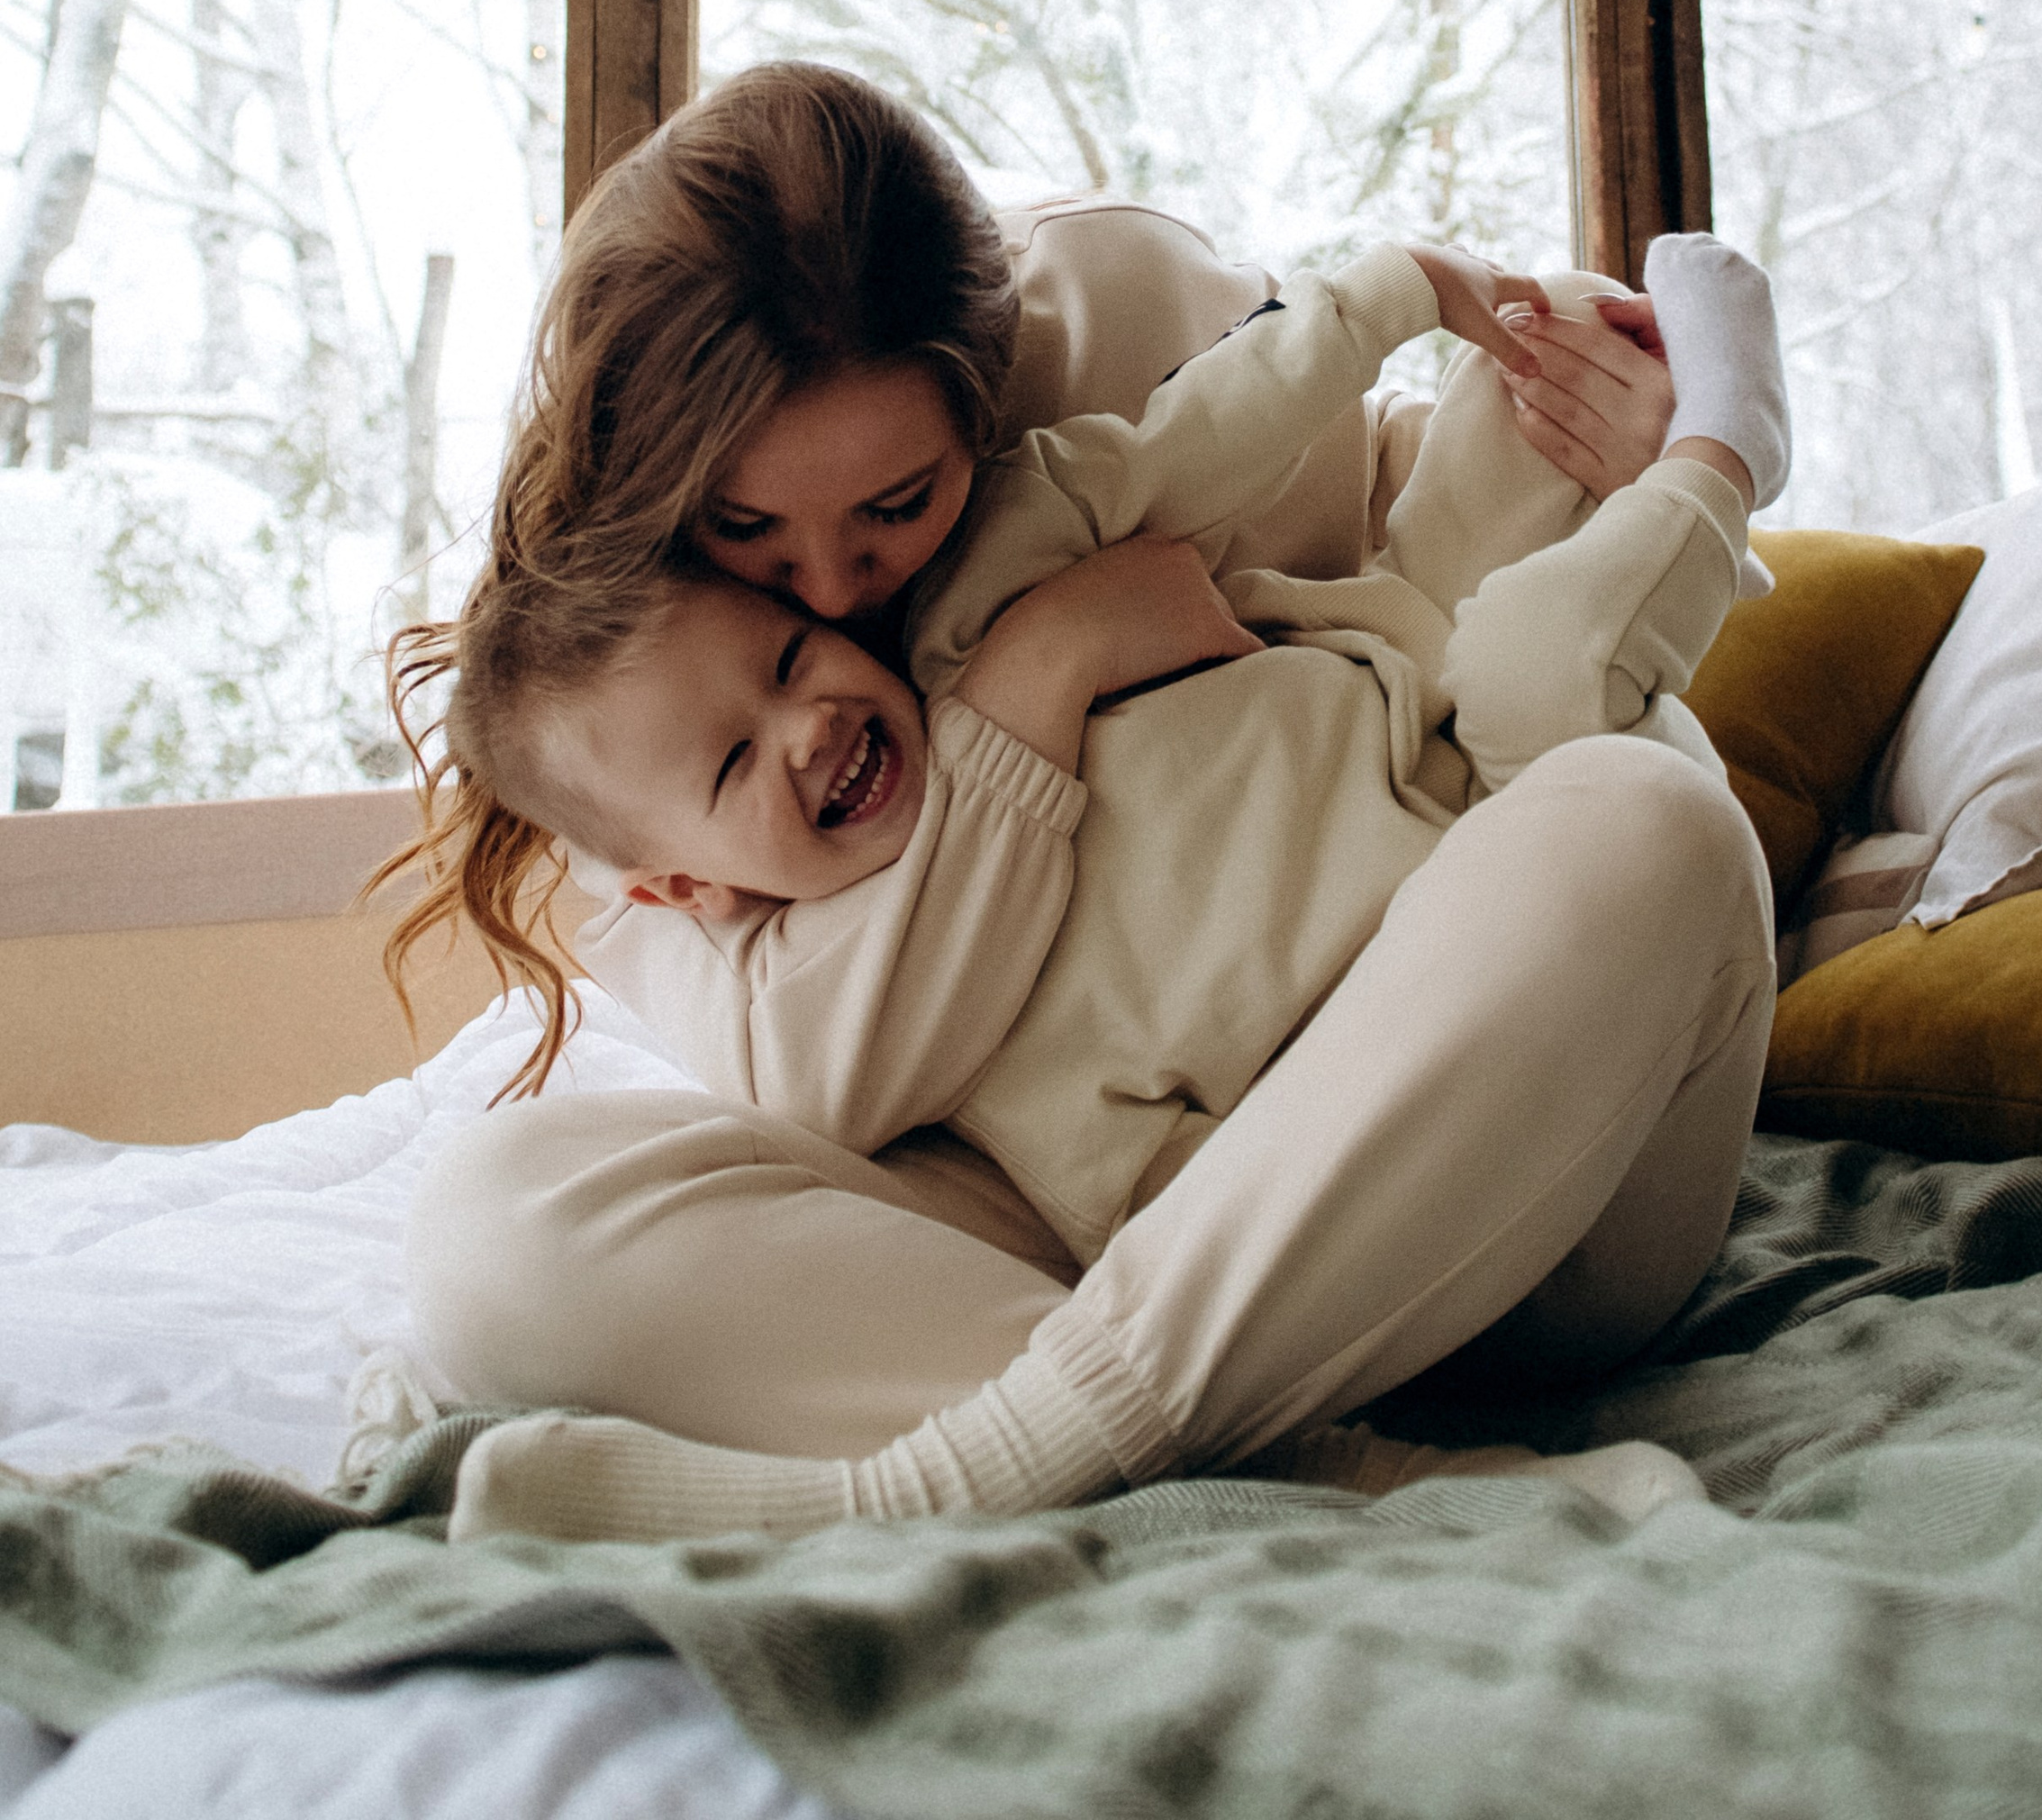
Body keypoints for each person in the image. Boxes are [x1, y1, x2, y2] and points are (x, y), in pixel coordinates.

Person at [394, 66, 1782, 1545]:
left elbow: (1409, 524)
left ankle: (962, 1474)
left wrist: (1609, 452)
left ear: (987, 399)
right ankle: (1299, 1468)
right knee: (495, 1228)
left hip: (1501, 1174)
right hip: (1102, 1207)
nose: (833, 590)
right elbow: (836, 1084)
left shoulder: (1115, 339)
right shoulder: (611, 681)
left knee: (1645, 817)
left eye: (896, 508)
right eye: (747, 534)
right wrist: (1037, 672)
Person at [454, 236, 1776, 1277]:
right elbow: (1189, 1205)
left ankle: (1691, 442)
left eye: (794, 653)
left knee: (1534, 354)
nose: (829, 601)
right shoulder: (879, 998)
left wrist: (1399, 292)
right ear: (688, 884)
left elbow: (1186, 446)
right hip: (1479, 983)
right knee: (1549, 677)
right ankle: (1729, 456)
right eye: (737, 764)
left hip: (1412, 700)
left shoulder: (985, 565)